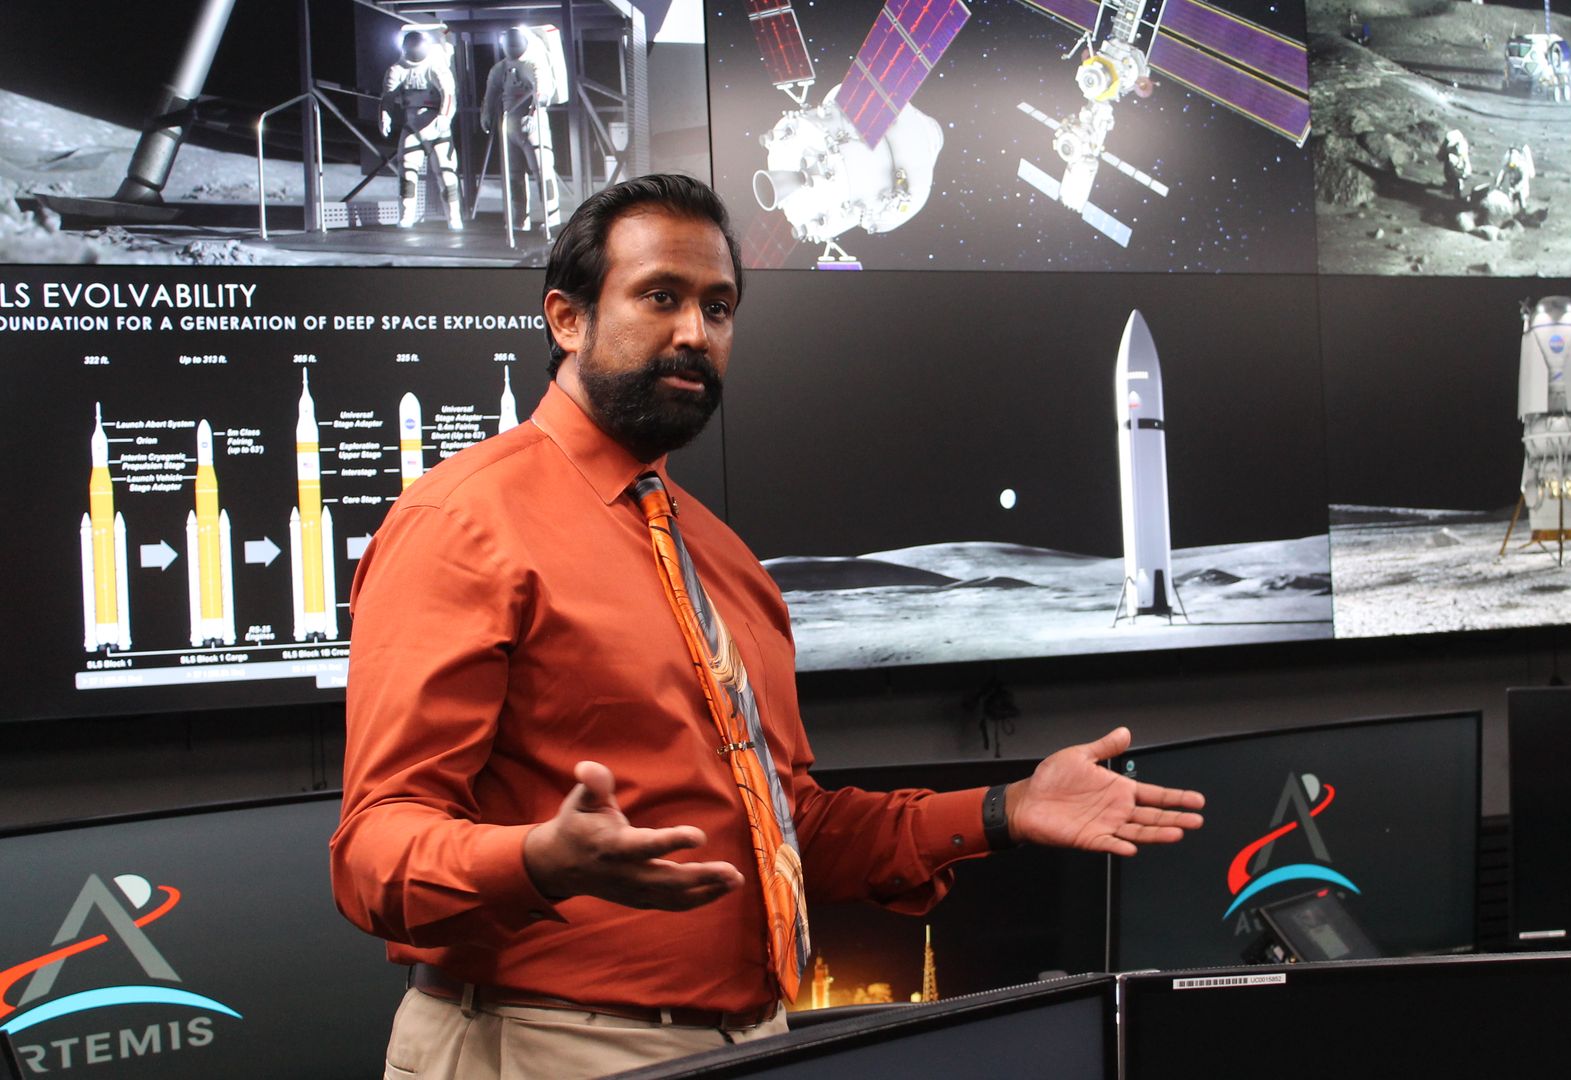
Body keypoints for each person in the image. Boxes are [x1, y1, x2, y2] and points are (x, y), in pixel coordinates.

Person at [330, 174, 1206, 1080]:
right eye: (660, 297)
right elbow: (373, 852)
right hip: (539, 1048)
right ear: (567, 319)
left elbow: (794, 828)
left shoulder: (726, 563)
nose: (694, 334)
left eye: (719, 307)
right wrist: (539, 861)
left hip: (754, 1043)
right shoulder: (462, 523)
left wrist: (1004, 810)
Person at [381, 30, 464, 230]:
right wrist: (385, 116)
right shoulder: (397, 69)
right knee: (407, 171)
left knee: (446, 173)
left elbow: (449, 94)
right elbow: (387, 97)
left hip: (437, 125)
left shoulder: (436, 66)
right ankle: (407, 214)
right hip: (412, 125)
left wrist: (444, 117)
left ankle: (454, 216)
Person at [482, 27, 560, 232]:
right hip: (510, 123)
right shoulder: (500, 68)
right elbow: (490, 93)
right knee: (514, 175)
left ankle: (551, 215)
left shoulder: (534, 62)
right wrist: (486, 114)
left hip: (533, 123)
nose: (512, 49)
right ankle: (520, 219)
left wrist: (534, 113)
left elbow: (542, 90)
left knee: (542, 171)